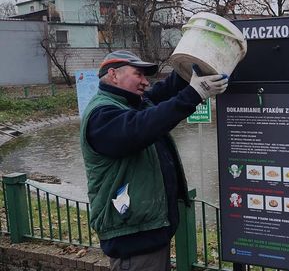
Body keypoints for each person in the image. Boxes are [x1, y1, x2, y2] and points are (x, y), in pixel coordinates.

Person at [80, 50, 228, 270]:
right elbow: (142, 127)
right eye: (138, 74)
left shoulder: (134, 102)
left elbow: (166, 91)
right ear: (113, 74)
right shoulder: (101, 115)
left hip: (147, 231)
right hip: (132, 238)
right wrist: (195, 94)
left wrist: (195, 62)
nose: (144, 82)